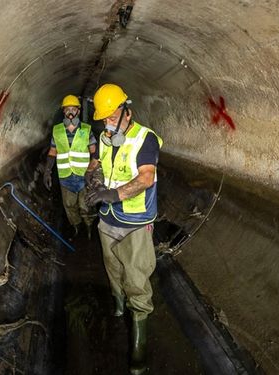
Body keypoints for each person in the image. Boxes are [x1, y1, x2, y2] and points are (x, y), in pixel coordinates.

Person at [84, 83, 162, 374]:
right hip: (107, 220)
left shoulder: (145, 139)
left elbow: (145, 179)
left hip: (135, 223)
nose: (108, 123)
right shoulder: (105, 138)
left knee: (137, 279)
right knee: (113, 268)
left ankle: (138, 349)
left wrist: (112, 195)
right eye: (104, 119)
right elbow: (96, 163)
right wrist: (92, 180)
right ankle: (118, 306)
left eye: (112, 116)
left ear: (127, 111)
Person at [43, 94, 98, 238]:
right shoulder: (57, 130)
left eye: (74, 109)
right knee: (69, 205)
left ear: (78, 111)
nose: (71, 112)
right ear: (64, 112)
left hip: (84, 176)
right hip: (65, 176)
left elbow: (95, 152)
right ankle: (76, 228)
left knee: (86, 205)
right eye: (67, 109)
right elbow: (52, 151)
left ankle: (89, 228)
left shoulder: (86, 130)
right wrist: (47, 171)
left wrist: (93, 171)